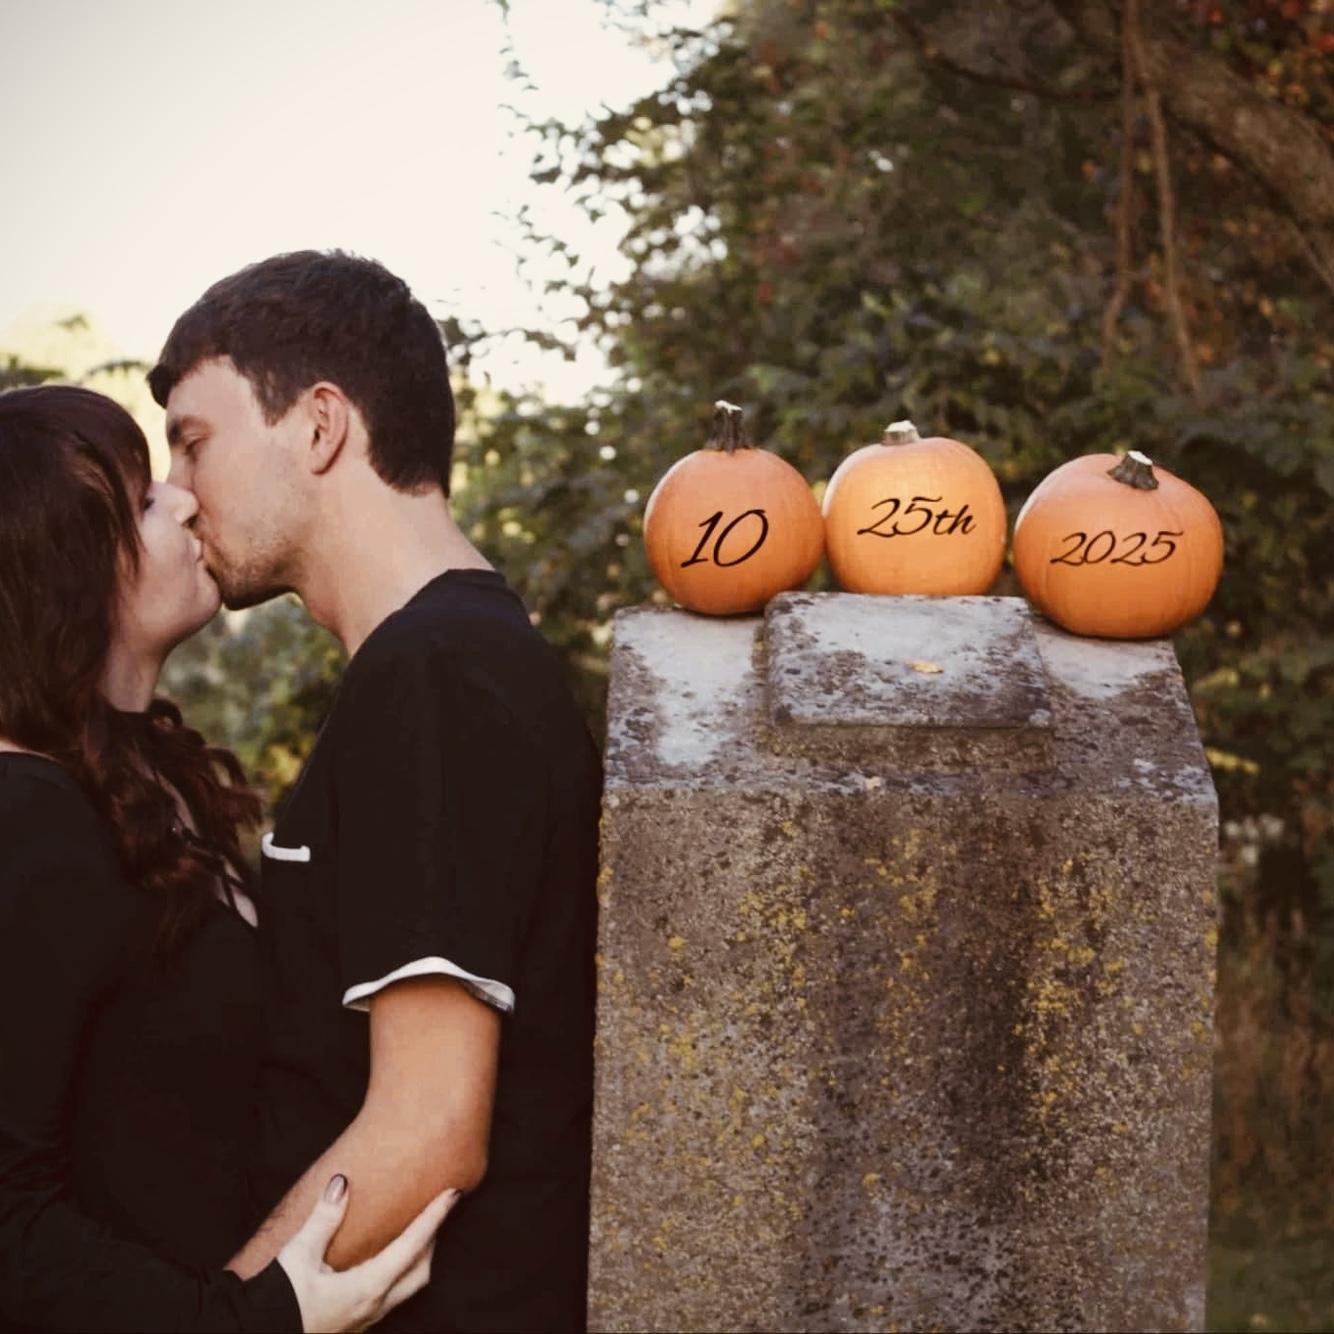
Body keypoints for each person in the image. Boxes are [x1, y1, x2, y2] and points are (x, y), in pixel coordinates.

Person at [148, 250, 602, 1332]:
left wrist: (228, 1318)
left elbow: (427, 1128)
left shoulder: (437, 674)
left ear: (319, 425)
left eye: (194, 441)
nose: (179, 491)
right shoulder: (446, 660)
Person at [0, 384, 458, 1333]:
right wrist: (255, 1319)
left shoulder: (144, 775)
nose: (183, 500)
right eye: (140, 501)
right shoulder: (25, 821)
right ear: (63, 570)